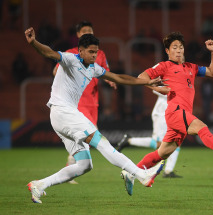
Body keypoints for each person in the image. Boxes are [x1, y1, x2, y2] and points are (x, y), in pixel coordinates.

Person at [24, 27, 166, 203]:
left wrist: (146, 81)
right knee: (101, 141)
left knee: (84, 165)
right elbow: (50, 53)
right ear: (80, 50)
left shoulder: (93, 68)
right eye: (90, 52)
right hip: (63, 111)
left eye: (96, 52)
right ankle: (141, 174)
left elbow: (119, 78)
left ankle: (39, 185)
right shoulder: (70, 59)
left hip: (62, 117)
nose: (94, 55)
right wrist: (33, 43)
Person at [120, 32, 213, 196]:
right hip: (175, 111)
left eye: (181, 47)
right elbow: (142, 76)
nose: (178, 50)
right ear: (167, 51)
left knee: (161, 153)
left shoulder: (191, 67)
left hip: (183, 114)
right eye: (175, 47)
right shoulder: (164, 66)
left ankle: (131, 172)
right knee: (201, 127)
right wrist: (156, 88)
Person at [53, 21, 115, 184]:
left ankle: (72, 167)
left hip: (93, 101)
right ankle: (72, 166)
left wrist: (110, 81)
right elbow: (56, 69)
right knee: (89, 134)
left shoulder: (99, 54)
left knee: (87, 135)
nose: (87, 33)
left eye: (90, 31)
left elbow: (106, 72)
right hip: (77, 101)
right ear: (78, 35)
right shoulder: (71, 54)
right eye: (84, 31)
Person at [117, 90, 182, 178]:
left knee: (175, 141)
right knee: (159, 144)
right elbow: (155, 89)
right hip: (161, 115)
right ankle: (129, 142)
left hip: (172, 114)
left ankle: (168, 171)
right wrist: (171, 91)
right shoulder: (167, 78)